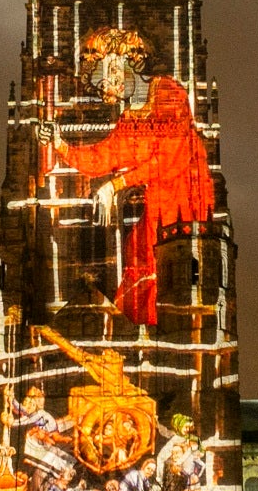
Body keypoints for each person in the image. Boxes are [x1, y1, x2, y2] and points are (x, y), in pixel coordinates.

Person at [39, 28, 215, 326]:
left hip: (185, 200)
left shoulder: (170, 93)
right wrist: (59, 143)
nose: (110, 86)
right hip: (157, 206)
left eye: (111, 73)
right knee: (138, 256)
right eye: (103, 84)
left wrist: (116, 184)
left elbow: (171, 158)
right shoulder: (128, 120)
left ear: (128, 59)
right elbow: (101, 158)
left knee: (172, 273)